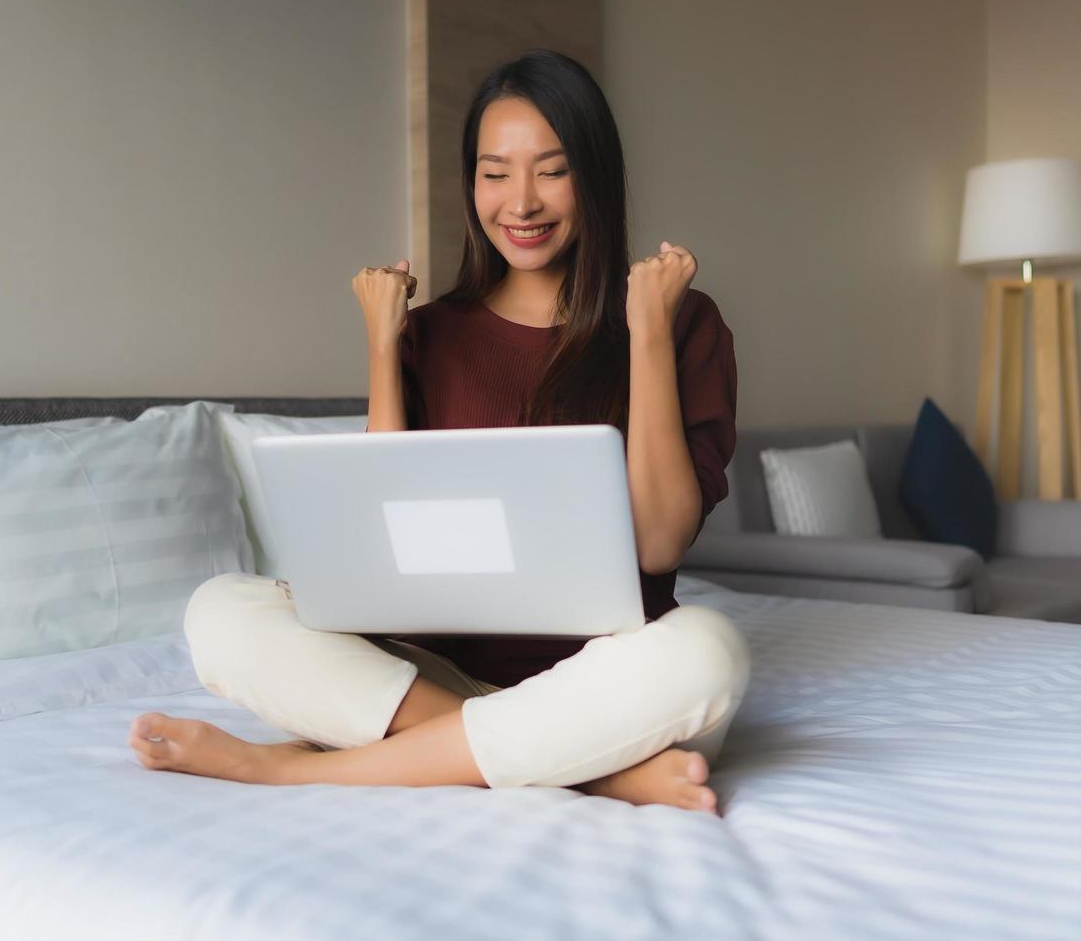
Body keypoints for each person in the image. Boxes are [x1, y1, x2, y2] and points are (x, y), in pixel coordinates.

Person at [129, 48, 749, 814]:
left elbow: (657, 543)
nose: (520, 201)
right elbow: (384, 567)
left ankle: (292, 770)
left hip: (611, 686)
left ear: (595, 175)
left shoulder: (681, 320)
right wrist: (383, 348)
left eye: (551, 170)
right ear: (471, 184)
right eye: (495, 173)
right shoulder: (434, 334)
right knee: (220, 611)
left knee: (708, 652)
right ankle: (592, 774)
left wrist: (647, 330)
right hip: (433, 673)